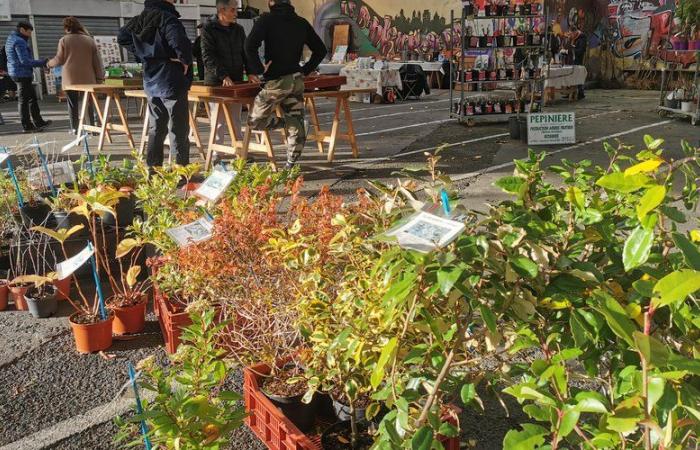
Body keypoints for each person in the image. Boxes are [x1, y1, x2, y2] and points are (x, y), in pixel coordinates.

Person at [244, 0, 327, 169]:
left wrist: (259, 69)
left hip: (276, 82)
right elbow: (321, 50)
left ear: (271, 2)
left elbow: (249, 45)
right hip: (296, 80)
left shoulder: (266, 20)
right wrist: (306, 69)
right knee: (295, 119)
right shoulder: (301, 22)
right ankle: (290, 165)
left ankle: (289, 124)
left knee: (255, 121)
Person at [117, 0, 193, 169]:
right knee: (178, 128)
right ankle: (180, 171)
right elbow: (179, 42)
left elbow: (122, 37)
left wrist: (145, 53)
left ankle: (153, 169)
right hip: (171, 77)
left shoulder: (140, 18)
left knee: (156, 126)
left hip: (151, 78)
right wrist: (184, 60)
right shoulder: (168, 19)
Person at [47, 17, 105, 135]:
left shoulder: (64, 40)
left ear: (66, 28)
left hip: (70, 77)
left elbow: (59, 59)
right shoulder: (89, 40)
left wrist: (48, 64)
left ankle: (75, 128)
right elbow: (97, 61)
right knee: (88, 102)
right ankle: (92, 128)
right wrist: (100, 77)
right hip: (88, 76)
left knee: (72, 103)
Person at [202, 0, 248, 145]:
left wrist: (252, 71)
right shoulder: (208, 29)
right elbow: (208, 56)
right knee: (219, 120)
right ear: (222, 10)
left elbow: (246, 53)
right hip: (217, 82)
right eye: (233, 10)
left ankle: (240, 151)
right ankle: (216, 154)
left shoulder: (238, 29)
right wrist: (223, 76)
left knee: (236, 118)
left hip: (236, 81)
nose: (236, 14)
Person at [4, 21, 51, 133]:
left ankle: (38, 122)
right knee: (24, 101)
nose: (30, 35)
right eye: (29, 32)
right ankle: (27, 126)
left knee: (31, 99)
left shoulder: (11, 38)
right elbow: (24, 61)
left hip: (17, 72)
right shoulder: (19, 41)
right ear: (22, 30)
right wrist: (42, 63)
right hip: (21, 74)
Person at [569, 25, 587, 99]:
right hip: (572, 59)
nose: (571, 35)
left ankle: (580, 92)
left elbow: (581, 50)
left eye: (571, 33)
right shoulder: (574, 38)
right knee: (572, 75)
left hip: (579, 59)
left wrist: (573, 49)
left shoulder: (582, 38)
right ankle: (571, 91)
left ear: (575, 32)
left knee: (579, 75)